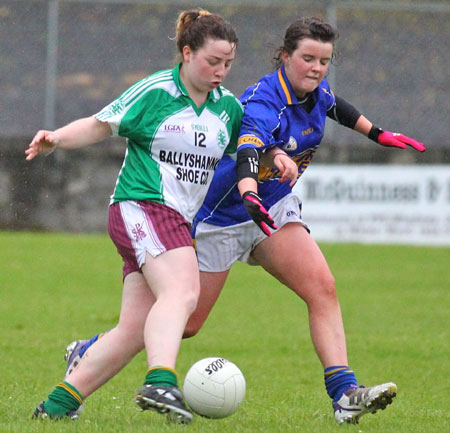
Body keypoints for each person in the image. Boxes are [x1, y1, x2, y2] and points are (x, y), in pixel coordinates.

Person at [61, 17, 425, 425]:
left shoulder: (315, 91)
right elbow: (250, 147)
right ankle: (91, 350)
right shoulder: (261, 99)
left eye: (324, 60)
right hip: (224, 217)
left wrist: (377, 133)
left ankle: (345, 394)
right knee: (185, 322)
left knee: (322, 288)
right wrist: (249, 189)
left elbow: (335, 105)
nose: (317, 68)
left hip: (272, 211)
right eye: (308, 58)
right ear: (284, 57)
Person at [26, 9, 242, 424]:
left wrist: (275, 157)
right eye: (212, 61)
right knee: (181, 292)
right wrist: (57, 139)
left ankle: (56, 407)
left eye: (228, 63)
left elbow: (246, 151)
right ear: (186, 52)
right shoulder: (156, 91)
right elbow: (100, 124)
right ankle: (160, 380)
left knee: (133, 330)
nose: (220, 71)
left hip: (175, 220)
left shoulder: (227, 109)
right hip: (141, 205)